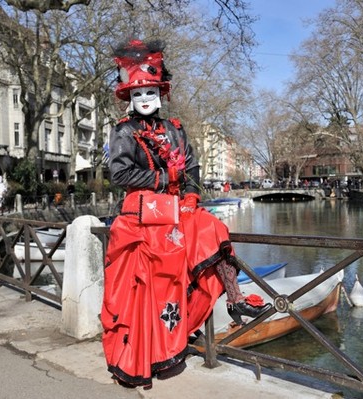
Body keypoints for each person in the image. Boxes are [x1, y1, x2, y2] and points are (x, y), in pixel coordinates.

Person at [101, 39, 271, 389]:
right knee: (151, 290)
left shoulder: (176, 129)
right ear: (130, 98)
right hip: (142, 220)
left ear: (160, 93)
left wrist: (191, 195)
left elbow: (192, 168)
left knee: (211, 226)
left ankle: (236, 298)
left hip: (179, 212)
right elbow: (120, 174)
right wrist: (164, 177)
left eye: (150, 91)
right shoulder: (124, 131)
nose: (145, 99)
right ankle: (147, 354)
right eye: (138, 94)